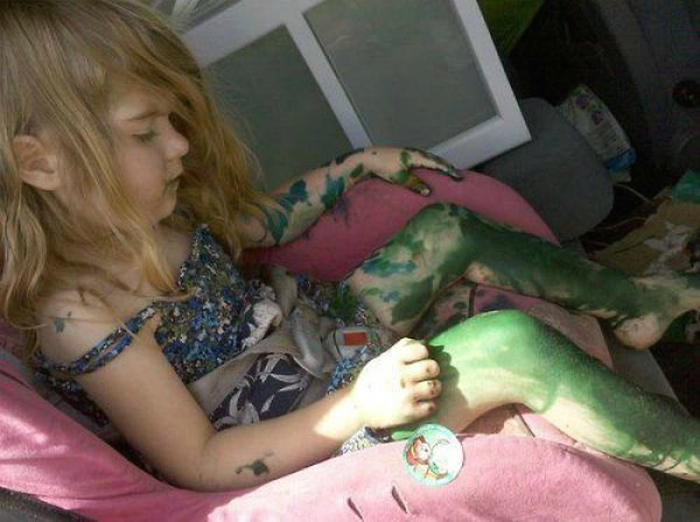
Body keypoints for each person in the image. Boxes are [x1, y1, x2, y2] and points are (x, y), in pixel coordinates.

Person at [0, 0, 698, 493]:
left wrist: (356, 167)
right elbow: (200, 461)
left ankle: (639, 305)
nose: (179, 143)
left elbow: (259, 225)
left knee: (448, 229)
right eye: (145, 132)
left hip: (326, 340)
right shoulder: (78, 313)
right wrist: (359, 407)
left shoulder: (152, 210)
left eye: (172, 122)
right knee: (508, 345)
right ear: (40, 163)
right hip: (316, 432)